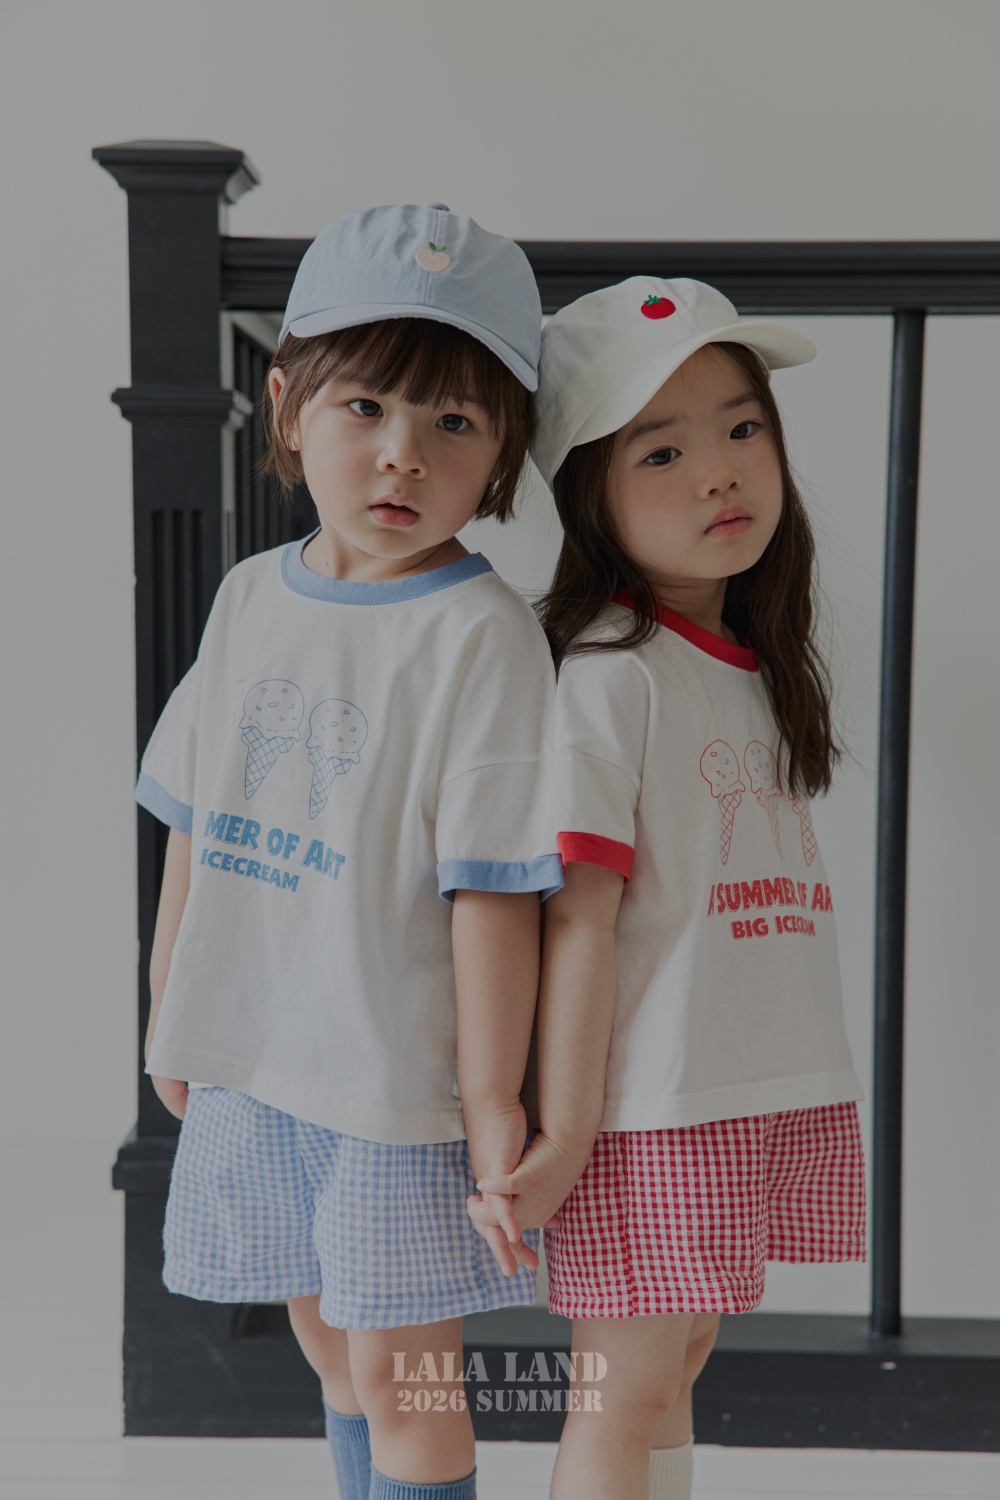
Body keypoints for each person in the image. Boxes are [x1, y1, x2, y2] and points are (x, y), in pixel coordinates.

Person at [138, 203, 560, 1500]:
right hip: (260, 1054)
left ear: (502, 452)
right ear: (286, 406)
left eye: (454, 422)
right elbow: (195, 817)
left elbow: (494, 893)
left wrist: (492, 1105)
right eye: (365, 406)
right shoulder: (250, 597)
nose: (401, 455)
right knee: (324, 1338)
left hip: (389, 1082)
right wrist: (168, 1007)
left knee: (403, 1373)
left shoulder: (479, 636)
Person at [470, 278, 866, 1500]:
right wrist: (566, 1128)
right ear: (588, 494)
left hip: (735, 1079)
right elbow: (578, 918)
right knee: (625, 1384)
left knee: (676, 1360)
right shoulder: (611, 674)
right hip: (649, 1103)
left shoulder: (744, 662)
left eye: (742, 428)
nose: (720, 473)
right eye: (663, 450)